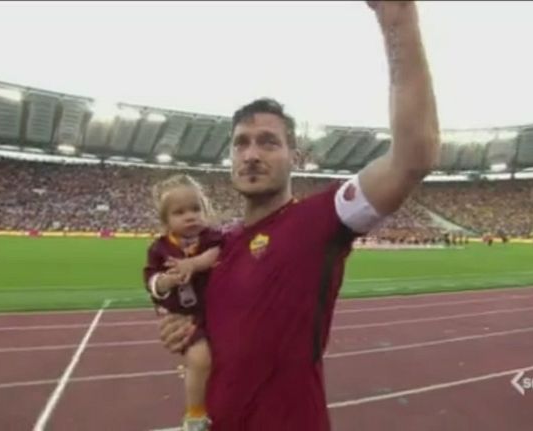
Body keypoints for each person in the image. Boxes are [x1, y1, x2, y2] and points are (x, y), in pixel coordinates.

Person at [156, 2, 439, 429]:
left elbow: (413, 157)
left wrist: (396, 18)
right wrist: (178, 325)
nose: (251, 154)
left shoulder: (319, 219)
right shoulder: (220, 245)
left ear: (297, 157)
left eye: (268, 142)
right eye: (241, 143)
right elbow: (199, 316)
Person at [142, 174, 223, 431]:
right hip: (188, 317)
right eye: (179, 212)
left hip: (217, 312)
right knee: (200, 358)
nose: (190, 217)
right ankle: (195, 414)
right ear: (165, 221)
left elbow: (217, 252)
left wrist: (194, 264)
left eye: (196, 209)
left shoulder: (211, 238)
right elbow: (151, 280)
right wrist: (166, 281)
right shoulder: (160, 249)